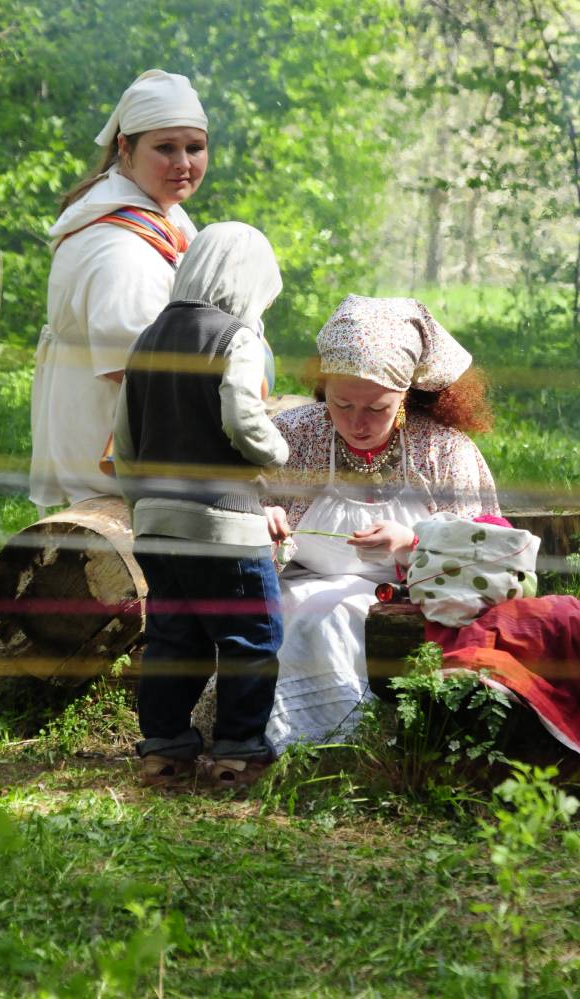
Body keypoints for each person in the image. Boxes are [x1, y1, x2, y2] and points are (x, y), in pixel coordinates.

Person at [262, 295, 500, 753]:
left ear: (406, 395)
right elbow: (237, 500)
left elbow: (490, 552)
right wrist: (261, 515)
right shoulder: (296, 433)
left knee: (341, 617)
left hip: (411, 600)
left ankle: (371, 746)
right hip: (302, 589)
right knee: (309, 615)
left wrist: (413, 543)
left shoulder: (443, 451)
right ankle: (296, 744)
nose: (357, 423)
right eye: (341, 403)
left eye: (377, 409)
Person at [113, 222, 289, 788]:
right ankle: (237, 757)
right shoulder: (235, 337)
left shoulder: (147, 338)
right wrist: (276, 451)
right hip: (224, 525)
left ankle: (164, 752)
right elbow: (241, 417)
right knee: (248, 639)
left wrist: (143, 505)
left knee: (174, 639)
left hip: (157, 523)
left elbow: (125, 438)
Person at [29, 70, 209, 511]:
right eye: (165, 148)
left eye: (195, 147)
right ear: (125, 148)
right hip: (111, 452)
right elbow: (127, 368)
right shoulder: (122, 251)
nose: (183, 162)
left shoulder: (157, 211)